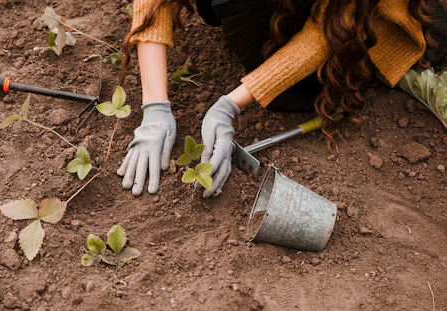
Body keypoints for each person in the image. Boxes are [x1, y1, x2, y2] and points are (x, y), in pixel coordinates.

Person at [116, 0, 447, 197]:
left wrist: (231, 103)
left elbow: (326, 32)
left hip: (356, 14)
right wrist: (155, 107)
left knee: (409, 41)